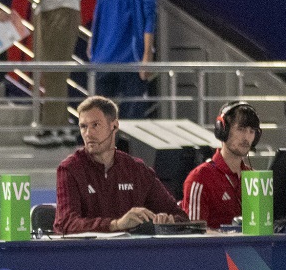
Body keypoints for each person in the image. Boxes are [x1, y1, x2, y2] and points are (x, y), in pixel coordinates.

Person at [54, 95, 187, 234]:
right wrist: (116, 225)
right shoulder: (70, 169)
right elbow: (66, 224)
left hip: (132, 253)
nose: (88, 133)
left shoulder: (136, 169)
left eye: (95, 125)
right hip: (88, 254)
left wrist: (168, 221)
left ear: (115, 126)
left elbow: (180, 217)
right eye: (83, 126)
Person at [16, 0, 94, 147]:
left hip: (66, 9)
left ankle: (51, 127)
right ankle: (61, 127)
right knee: (47, 69)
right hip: (43, 9)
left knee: (56, 70)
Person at [88, 0, 156, 119]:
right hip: (104, 57)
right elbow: (100, 9)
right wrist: (93, 40)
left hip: (131, 60)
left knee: (132, 120)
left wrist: (146, 56)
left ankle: (126, 147)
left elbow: (149, 18)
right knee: (100, 117)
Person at [181, 101, 261, 229]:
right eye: (241, 129)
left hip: (251, 248)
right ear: (223, 130)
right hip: (215, 249)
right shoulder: (200, 178)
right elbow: (195, 233)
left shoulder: (255, 178)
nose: (247, 137)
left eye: (251, 131)